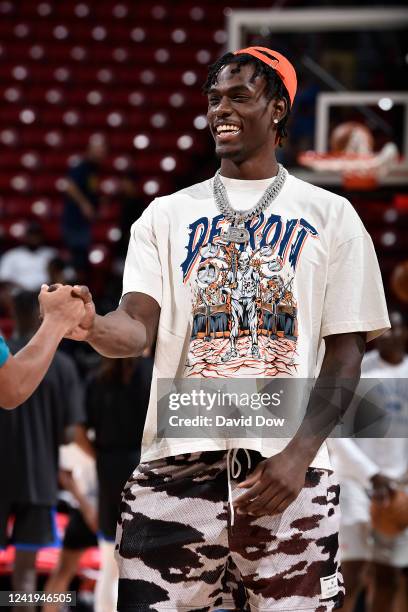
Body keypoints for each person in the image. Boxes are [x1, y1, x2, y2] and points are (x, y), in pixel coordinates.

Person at [66, 47, 390, 611]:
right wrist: (90, 324)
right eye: (214, 99)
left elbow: (345, 357)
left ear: (279, 109)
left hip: (288, 473)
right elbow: (136, 330)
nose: (221, 110)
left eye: (240, 97)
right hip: (176, 470)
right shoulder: (164, 216)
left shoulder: (332, 215)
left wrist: (297, 455)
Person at [0, 290, 86, 612]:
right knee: (25, 574)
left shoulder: (5, 353)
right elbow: (69, 434)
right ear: (41, 315)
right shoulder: (61, 365)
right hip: (37, 477)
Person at [329, 311, 408, 612]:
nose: (388, 336)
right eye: (382, 330)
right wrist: (371, 474)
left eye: (394, 329)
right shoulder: (358, 373)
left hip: (398, 488)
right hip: (356, 482)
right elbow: (335, 432)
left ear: (404, 333)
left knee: (387, 576)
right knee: (349, 574)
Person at [74, 354, 152, 612]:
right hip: (143, 466)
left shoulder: (97, 376)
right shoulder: (153, 372)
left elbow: (77, 431)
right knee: (141, 566)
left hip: (108, 466)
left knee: (109, 564)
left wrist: (99, 456)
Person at [0, 284, 85, 409]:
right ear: (39, 313)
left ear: (13, 312)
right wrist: (58, 317)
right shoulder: (64, 364)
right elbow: (14, 388)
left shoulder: (63, 364)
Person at [61, 134, 107, 278]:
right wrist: (84, 204)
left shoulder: (96, 169)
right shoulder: (82, 166)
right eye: (98, 150)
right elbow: (70, 186)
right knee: (77, 257)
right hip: (75, 221)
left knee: (84, 259)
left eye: (103, 150)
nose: (101, 153)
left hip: (85, 222)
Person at [0, 221, 56, 290]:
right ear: (25, 236)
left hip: (46, 292)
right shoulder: (12, 254)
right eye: (31, 234)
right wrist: (21, 288)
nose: (34, 238)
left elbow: (62, 275)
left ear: (42, 236)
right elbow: (4, 278)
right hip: (19, 294)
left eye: (37, 234)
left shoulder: (51, 253)